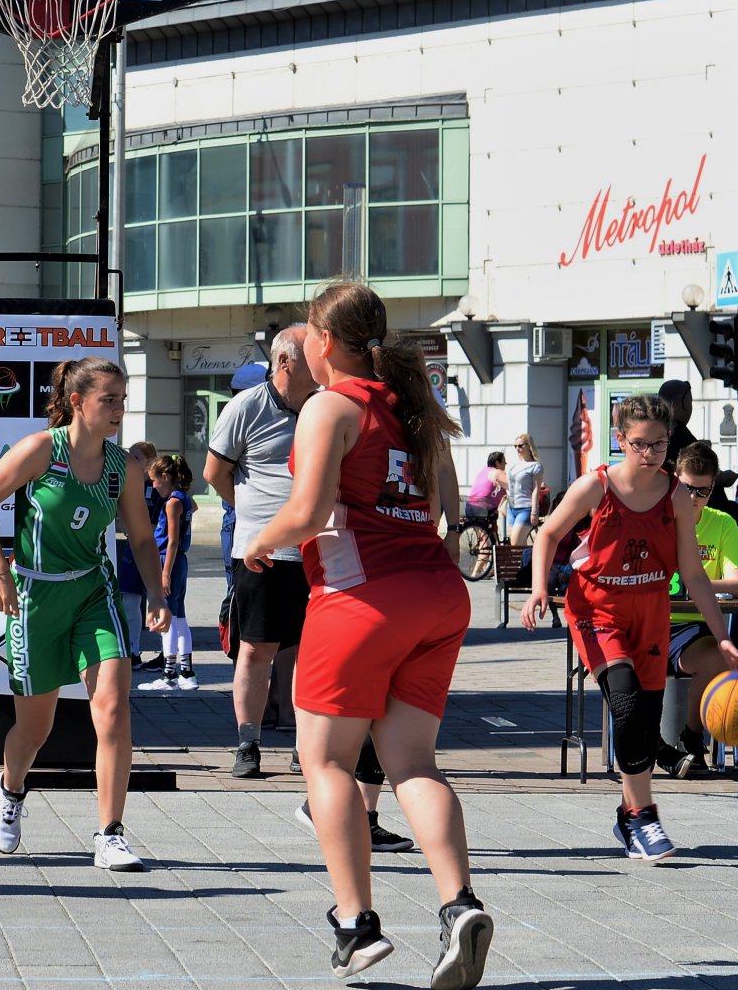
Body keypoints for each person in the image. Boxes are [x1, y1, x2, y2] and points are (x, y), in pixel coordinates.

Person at [240, 281, 491, 987]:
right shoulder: (415, 410)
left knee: (325, 763)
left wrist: (261, 542)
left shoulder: (330, 405)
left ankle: (356, 924)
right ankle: (459, 904)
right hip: (436, 596)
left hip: (360, 600)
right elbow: (437, 513)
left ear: (321, 341)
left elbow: (308, 508)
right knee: (414, 764)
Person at [524, 394, 738, 864]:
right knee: (624, 703)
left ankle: (629, 814)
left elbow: (694, 573)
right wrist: (539, 588)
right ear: (621, 439)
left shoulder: (678, 497)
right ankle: (645, 817)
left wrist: (722, 635)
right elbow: (547, 533)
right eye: (640, 444)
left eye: (659, 445)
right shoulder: (596, 487)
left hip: (650, 614)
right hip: (597, 611)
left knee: (643, 722)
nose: (650, 454)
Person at [0, 356, 170, 872]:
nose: (119, 410)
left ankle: (110, 834)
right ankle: (10, 790)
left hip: (91, 592)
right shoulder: (41, 450)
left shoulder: (122, 466)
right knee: (35, 729)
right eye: (109, 400)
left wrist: (157, 594)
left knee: (112, 709)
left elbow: (144, 539)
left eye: (123, 400)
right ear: (78, 402)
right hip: (34, 598)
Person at [205, 326, 315, 779]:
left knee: (314, 652)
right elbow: (215, 472)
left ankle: (306, 743)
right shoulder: (246, 407)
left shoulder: (325, 406)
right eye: (312, 353)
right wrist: (255, 517)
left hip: (318, 551)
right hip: (263, 554)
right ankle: (247, 743)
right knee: (255, 651)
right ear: (285, 362)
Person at [655, 441, 738, 778]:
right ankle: (652, 745)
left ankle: (692, 737)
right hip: (651, 622)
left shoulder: (721, 523)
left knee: (717, 656)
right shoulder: (656, 517)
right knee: (620, 662)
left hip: (694, 628)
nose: (694, 498)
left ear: (713, 489)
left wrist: (697, 585)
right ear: (674, 480)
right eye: (687, 489)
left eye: (703, 491)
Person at [139, 455, 198, 691]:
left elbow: (172, 541)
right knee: (179, 617)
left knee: (167, 618)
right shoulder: (182, 498)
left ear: (166, 477)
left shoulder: (172, 502)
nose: (153, 486)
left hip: (169, 560)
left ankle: (169, 674)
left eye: (155, 481)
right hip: (180, 562)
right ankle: (186, 672)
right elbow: (194, 505)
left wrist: (164, 573)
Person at [116, 440, 160, 669]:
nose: (131, 460)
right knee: (129, 601)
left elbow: (189, 505)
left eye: (136, 457)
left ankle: (167, 653)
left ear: (149, 462)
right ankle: (132, 649)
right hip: (132, 549)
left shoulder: (158, 486)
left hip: (153, 549)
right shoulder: (128, 483)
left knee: (161, 601)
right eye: (130, 455)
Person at [462, 451, 508, 571]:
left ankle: (489, 569)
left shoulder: (483, 472)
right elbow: (512, 485)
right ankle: (476, 572)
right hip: (482, 508)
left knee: (489, 537)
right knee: (486, 543)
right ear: (498, 463)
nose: (505, 464)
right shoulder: (497, 472)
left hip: (471, 507)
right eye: (504, 462)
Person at [505, 434, 543, 547]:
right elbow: (510, 485)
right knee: (519, 546)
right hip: (512, 508)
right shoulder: (514, 466)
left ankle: (532, 562)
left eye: (520, 445)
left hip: (526, 508)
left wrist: (534, 512)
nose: (517, 449)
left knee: (515, 542)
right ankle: (526, 564)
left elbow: (536, 489)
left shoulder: (536, 466)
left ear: (529, 446)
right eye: (515, 446)